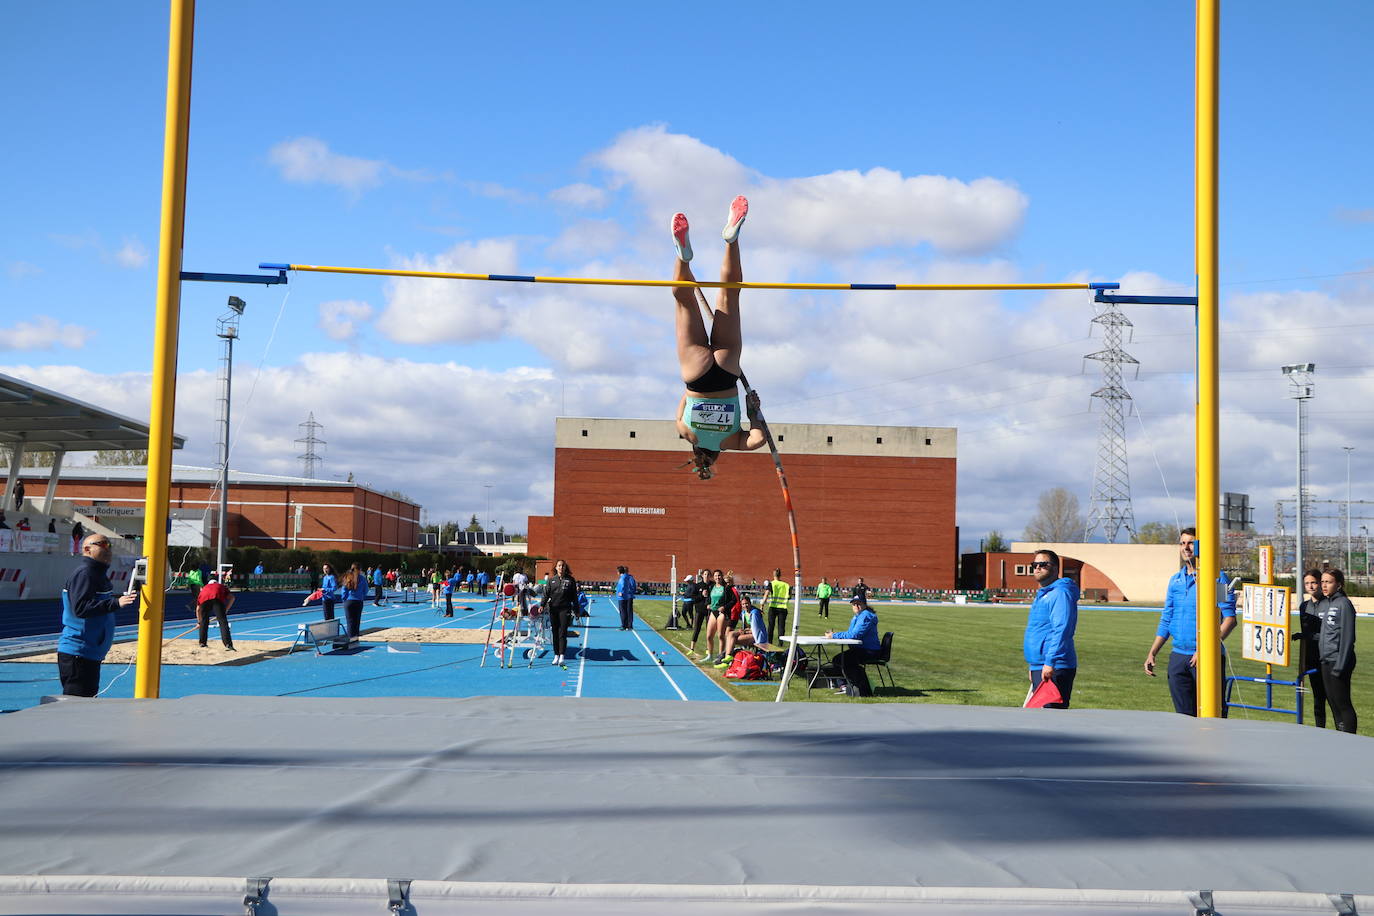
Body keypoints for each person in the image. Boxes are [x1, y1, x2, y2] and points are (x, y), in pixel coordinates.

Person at [670, 197, 768, 481]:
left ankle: (731, 240)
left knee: (729, 294)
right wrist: (690, 396)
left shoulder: (732, 443)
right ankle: (682, 257)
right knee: (683, 301)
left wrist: (753, 411)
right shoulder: (687, 433)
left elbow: (757, 440)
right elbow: (681, 411)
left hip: (726, 374)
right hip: (696, 375)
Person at [1142, 527, 1238, 716]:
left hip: (1206, 658)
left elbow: (1230, 619)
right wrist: (1152, 652)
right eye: (1182, 543)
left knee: (1212, 716)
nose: (1186, 547)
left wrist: (1205, 650)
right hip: (1178, 657)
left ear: (1201, 546)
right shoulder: (1174, 580)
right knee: (1183, 718)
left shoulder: (1217, 578)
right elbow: (1167, 617)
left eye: (1191, 543)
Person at [56, 534, 138, 696]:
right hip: (79, 652)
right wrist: (116, 603)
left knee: (84, 703)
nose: (108, 549)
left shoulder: (97, 573)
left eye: (110, 545)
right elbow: (80, 608)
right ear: (87, 549)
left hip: (89, 652)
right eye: (102, 545)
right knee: (75, 707)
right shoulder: (85, 573)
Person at [1022, 550, 1078, 708]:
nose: (1038, 568)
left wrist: (1050, 662)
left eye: (1043, 565)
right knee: (1039, 721)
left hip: (1056, 666)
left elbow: (1062, 630)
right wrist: (1034, 665)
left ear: (1055, 568)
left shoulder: (1060, 593)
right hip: (1041, 665)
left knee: (1052, 722)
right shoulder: (1043, 593)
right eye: (1035, 565)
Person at [1316, 568, 1358, 733]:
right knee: (1332, 703)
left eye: (1329, 582)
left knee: (1343, 704)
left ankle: (1350, 739)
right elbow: (1327, 634)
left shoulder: (1344, 604)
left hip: (1338, 662)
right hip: (1326, 661)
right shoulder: (1329, 603)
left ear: (1339, 584)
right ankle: (1339, 737)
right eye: (1323, 582)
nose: (1324, 585)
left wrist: (1340, 665)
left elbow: (1348, 637)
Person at [1292, 570, 1329, 728]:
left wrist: (1308, 636)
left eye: (1313, 582)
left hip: (1328, 658)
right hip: (1311, 658)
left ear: (1321, 583)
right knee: (1317, 698)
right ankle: (1320, 729)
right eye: (1307, 583)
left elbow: (1329, 634)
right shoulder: (1304, 606)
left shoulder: (1329, 604)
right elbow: (1308, 632)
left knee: (1333, 698)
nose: (1310, 586)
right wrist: (1302, 635)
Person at [825, 594, 881, 697]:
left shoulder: (865, 616)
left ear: (864, 604)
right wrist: (836, 635)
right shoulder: (858, 616)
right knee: (841, 659)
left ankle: (848, 686)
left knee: (839, 660)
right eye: (854, 604)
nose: (856, 606)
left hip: (869, 651)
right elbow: (851, 633)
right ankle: (851, 685)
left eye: (858, 603)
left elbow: (854, 635)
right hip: (863, 649)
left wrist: (834, 635)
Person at [715, 594, 772, 666]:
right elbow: (748, 627)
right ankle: (728, 656)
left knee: (733, 639)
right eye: (743, 604)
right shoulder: (744, 613)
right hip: (749, 633)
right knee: (730, 634)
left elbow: (756, 630)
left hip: (758, 637)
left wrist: (744, 631)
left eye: (746, 603)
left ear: (750, 603)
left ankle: (727, 658)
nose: (745, 606)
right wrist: (743, 631)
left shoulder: (755, 613)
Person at [545, 559, 579, 668]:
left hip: (565, 609)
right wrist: (541, 605)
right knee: (554, 633)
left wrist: (577, 610)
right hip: (553, 609)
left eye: (563, 566)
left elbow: (574, 596)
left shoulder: (571, 580)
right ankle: (556, 655)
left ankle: (562, 656)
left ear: (565, 568)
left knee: (562, 632)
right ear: (556, 568)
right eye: (559, 565)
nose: (561, 567)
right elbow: (546, 594)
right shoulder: (551, 580)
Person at [195, 573, 236, 650]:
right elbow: (232, 598)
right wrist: (226, 609)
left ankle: (202, 643)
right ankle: (228, 644)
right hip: (217, 600)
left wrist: (199, 622)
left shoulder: (204, 589)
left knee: (204, 622)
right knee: (223, 622)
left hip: (204, 601)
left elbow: (198, 609)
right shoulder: (221, 586)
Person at [763, 567, 790, 644]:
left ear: (773, 575)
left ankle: (769, 642)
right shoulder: (786, 585)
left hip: (773, 607)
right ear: (780, 575)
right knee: (781, 626)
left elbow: (766, 594)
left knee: (771, 625)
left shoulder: (771, 583)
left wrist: (762, 604)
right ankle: (780, 643)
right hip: (783, 608)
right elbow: (789, 596)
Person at [686, 569, 710, 656]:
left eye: (708, 574)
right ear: (702, 575)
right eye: (705, 574)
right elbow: (693, 598)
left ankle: (708, 648)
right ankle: (692, 648)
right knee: (696, 629)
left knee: (709, 630)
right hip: (699, 610)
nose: (706, 576)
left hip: (709, 611)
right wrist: (701, 595)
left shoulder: (712, 585)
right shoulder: (697, 586)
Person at [341, 564, 368, 641]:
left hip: (349, 601)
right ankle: (355, 637)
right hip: (358, 601)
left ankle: (350, 638)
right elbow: (366, 590)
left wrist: (344, 599)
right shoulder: (362, 579)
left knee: (349, 621)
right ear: (359, 570)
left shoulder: (347, 577)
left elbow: (344, 590)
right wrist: (361, 596)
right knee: (357, 620)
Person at [615, 565, 637, 630]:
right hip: (626, 596)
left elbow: (632, 586)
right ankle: (626, 624)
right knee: (625, 611)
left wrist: (627, 592)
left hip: (627, 596)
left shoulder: (628, 578)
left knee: (627, 611)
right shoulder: (626, 577)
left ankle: (628, 625)